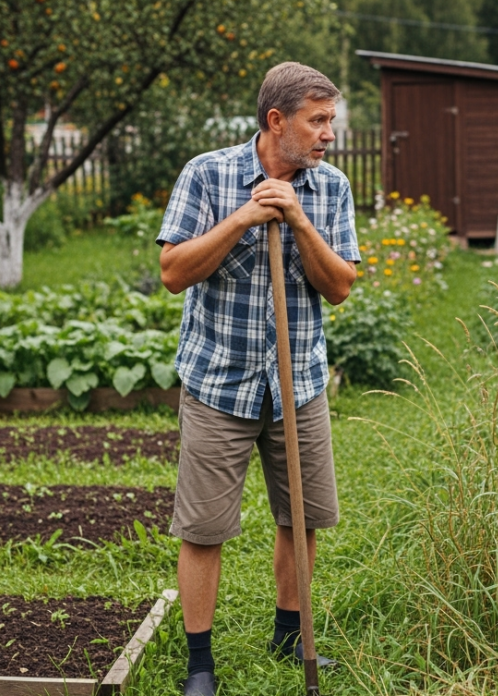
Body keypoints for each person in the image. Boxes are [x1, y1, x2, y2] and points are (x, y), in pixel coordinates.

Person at [155, 62, 359, 696]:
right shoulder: (208, 173)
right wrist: (243, 219)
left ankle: (289, 634)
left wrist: (299, 222)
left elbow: (341, 287)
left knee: (303, 517)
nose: (329, 134)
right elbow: (172, 271)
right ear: (277, 121)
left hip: (298, 385)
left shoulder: (330, 189)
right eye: (317, 120)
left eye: (331, 119)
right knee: (204, 527)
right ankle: (200, 664)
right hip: (221, 383)